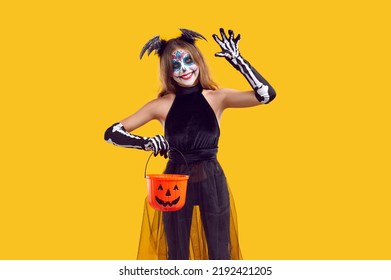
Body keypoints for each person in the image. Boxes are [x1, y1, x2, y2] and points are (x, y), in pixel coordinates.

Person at [104, 28, 276, 260]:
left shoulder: (217, 98)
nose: (184, 69)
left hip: (212, 182)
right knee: (177, 254)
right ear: (168, 73)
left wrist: (238, 61)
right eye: (175, 66)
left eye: (188, 61)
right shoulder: (161, 105)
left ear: (198, 61)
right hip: (173, 185)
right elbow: (112, 133)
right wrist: (145, 143)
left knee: (218, 251)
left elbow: (265, 94)